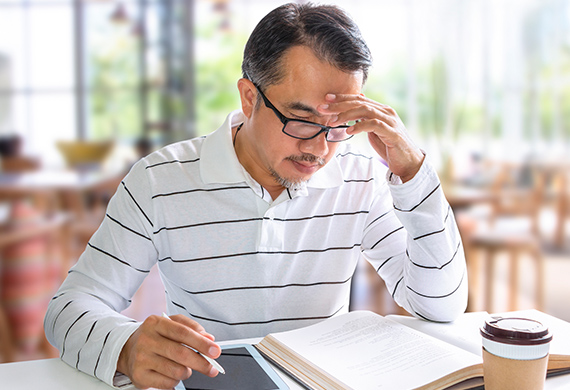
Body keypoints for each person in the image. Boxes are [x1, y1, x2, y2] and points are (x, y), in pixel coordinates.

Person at [45, 3, 467, 389]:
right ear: (250, 98)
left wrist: (412, 171)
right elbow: (69, 308)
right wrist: (126, 345)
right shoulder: (159, 180)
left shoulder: (361, 179)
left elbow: (440, 305)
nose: (320, 149)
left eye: (339, 125)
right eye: (300, 120)